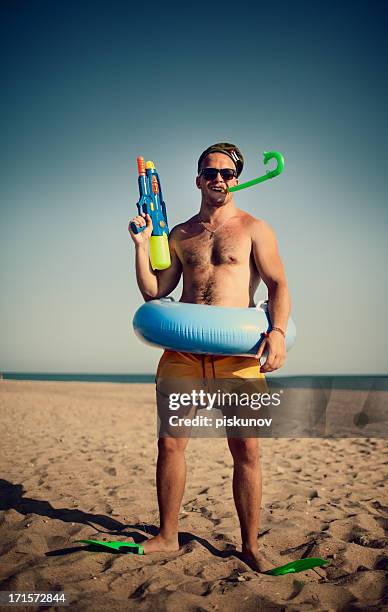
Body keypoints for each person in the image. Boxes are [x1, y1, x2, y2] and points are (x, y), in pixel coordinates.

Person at [128, 143, 291, 571]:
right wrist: (142, 245)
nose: (218, 178)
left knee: (247, 451)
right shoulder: (181, 233)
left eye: (226, 172)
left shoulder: (255, 229)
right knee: (170, 445)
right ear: (198, 179)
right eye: (210, 172)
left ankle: (250, 546)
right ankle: (167, 536)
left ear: (236, 179)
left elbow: (278, 287)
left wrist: (275, 332)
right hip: (184, 354)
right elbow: (154, 292)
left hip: (237, 357)